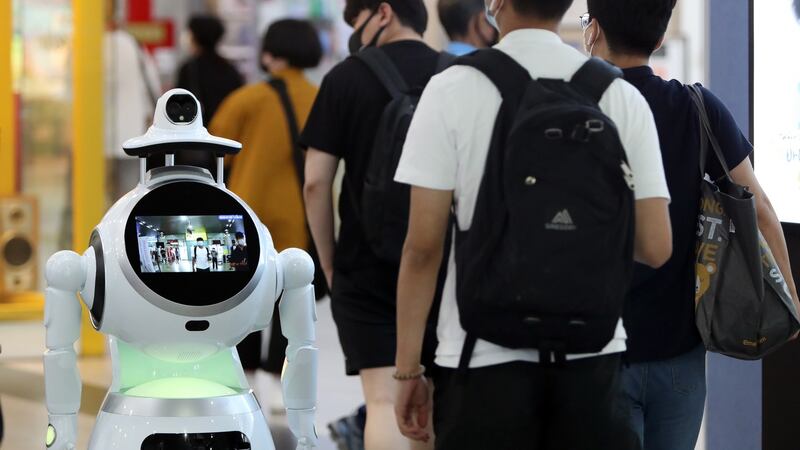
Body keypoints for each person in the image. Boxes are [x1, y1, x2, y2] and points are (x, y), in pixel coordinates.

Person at [392, 0, 675, 448]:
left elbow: (422, 247)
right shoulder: (619, 95)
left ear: (497, 4)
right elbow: (657, 245)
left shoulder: (451, 88)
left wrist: (408, 369)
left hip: (478, 354)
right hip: (593, 358)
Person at [583, 1, 800, 449]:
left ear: (593, 31)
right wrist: (789, 297)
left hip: (600, 354)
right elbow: (758, 206)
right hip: (679, 354)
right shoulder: (697, 107)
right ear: (660, 38)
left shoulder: (577, 110)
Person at [302, 1, 443, 449]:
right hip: (444, 263)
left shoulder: (345, 78)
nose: (355, 34)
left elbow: (314, 183)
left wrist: (329, 263)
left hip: (366, 263)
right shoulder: (459, 75)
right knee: (435, 399)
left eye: (355, 22)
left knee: (383, 401)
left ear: (382, 12)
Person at [210, 19, 323, 414]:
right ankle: (278, 378)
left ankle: (244, 375)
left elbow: (217, 145)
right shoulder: (318, 96)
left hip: (247, 216)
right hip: (297, 214)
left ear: (270, 53)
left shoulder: (248, 98)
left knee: (243, 297)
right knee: (288, 297)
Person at [167, 15, 244, 173]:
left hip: (197, 144)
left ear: (195, 37)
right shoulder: (230, 70)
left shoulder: (189, 69)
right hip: (225, 144)